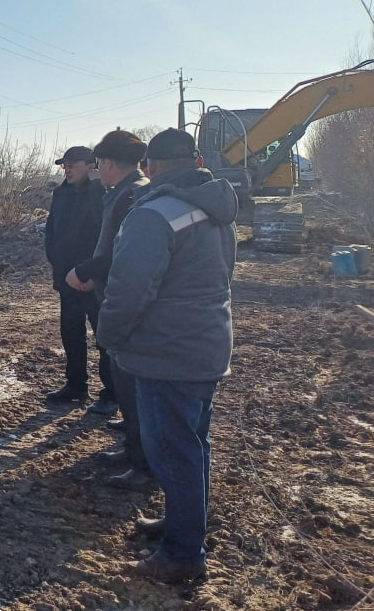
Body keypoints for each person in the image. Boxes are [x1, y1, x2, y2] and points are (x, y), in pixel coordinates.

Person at [97, 128, 238, 583]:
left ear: (153, 168)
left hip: (166, 353)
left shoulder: (154, 215)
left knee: (172, 451)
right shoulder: (217, 210)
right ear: (196, 162)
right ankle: (182, 525)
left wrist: (110, 336)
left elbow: (129, 289)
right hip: (207, 344)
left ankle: (181, 554)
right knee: (192, 445)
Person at [66, 129, 153, 490]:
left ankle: (142, 462)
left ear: (110, 163)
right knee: (125, 378)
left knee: (131, 381)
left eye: (100, 163)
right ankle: (133, 448)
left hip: (121, 297)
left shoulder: (131, 195)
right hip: (110, 290)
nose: (98, 168)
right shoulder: (122, 191)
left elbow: (119, 253)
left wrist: (85, 271)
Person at [43, 146, 112, 410]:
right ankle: (75, 385)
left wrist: (92, 273)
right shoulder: (60, 194)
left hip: (94, 279)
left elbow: (103, 230)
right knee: (71, 333)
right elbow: (51, 231)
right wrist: (58, 264)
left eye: (73, 164)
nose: (67, 169)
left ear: (91, 165)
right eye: (65, 165)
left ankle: (111, 393)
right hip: (66, 278)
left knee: (103, 337)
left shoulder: (103, 194)